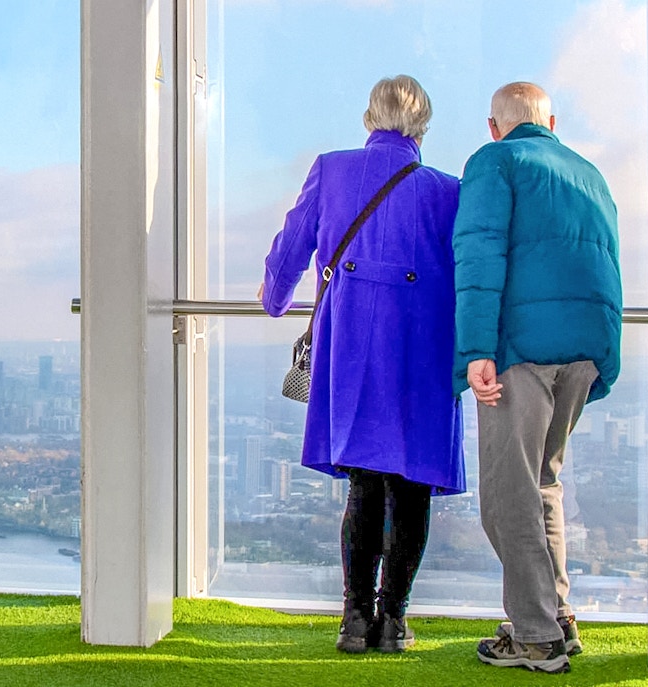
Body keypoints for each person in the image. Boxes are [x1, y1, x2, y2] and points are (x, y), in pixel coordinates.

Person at [259, 75, 465, 654]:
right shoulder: (448, 191)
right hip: (425, 349)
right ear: (422, 126)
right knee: (413, 484)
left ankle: (354, 619)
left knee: (366, 483)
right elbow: (471, 268)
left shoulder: (331, 168)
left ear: (369, 117)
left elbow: (294, 240)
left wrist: (275, 297)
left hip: (352, 344)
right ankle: (394, 620)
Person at [452, 81, 622, 674]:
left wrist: (475, 348)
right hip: (583, 350)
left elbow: (478, 255)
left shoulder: (495, 160)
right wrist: (605, 357)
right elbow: (608, 268)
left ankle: (535, 636)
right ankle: (558, 617)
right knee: (544, 483)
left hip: (520, 351)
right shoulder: (589, 174)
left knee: (506, 496)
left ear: (494, 125)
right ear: (553, 120)